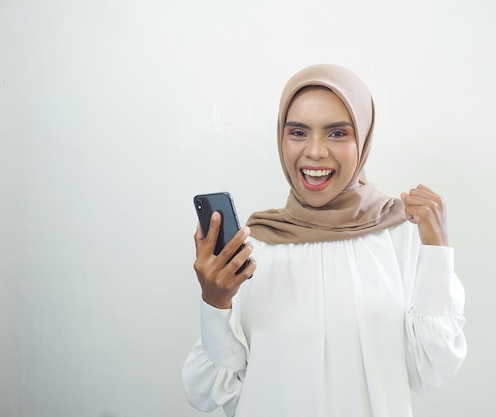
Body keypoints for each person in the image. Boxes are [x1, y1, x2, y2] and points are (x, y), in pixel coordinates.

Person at [182, 64, 467, 417]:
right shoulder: (255, 247)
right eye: (298, 132)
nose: (315, 152)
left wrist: (437, 251)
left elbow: (431, 372)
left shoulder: (400, 234)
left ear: (363, 139)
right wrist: (215, 302)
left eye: (337, 133)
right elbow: (210, 394)